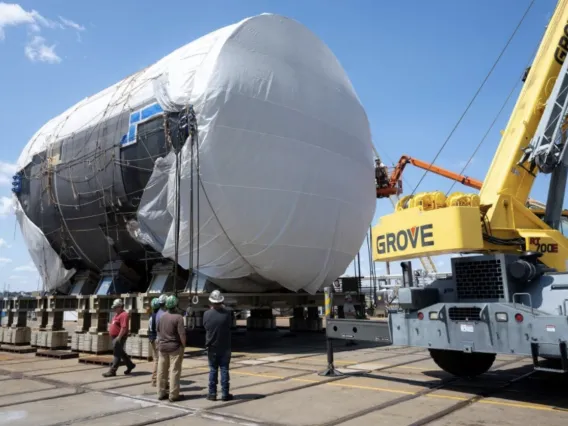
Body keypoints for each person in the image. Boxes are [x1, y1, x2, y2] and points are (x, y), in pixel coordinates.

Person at [203, 289, 233, 401]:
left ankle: (212, 394)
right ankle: (225, 394)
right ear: (221, 301)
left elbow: (205, 326)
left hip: (212, 346)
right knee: (224, 370)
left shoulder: (206, 314)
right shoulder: (227, 313)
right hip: (225, 346)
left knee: (213, 370)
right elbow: (229, 324)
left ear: (211, 302)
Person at [156, 294, 186, 402]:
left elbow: (158, 331)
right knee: (174, 371)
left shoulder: (162, 316)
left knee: (161, 371)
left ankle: (160, 392)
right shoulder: (178, 317)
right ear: (176, 305)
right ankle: (173, 395)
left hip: (162, 347)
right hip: (174, 348)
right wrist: (183, 345)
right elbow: (182, 334)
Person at [103, 298, 136, 377]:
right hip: (115, 337)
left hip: (119, 337)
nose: (114, 309)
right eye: (113, 307)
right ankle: (130, 365)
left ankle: (112, 371)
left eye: (115, 307)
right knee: (121, 352)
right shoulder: (117, 314)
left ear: (120, 306)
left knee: (117, 354)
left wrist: (119, 337)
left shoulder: (124, 315)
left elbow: (124, 328)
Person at [148, 297, 161, 387]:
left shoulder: (151, 316)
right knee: (158, 360)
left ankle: (154, 379)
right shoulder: (159, 316)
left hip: (152, 338)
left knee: (156, 359)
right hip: (157, 339)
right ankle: (155, 379)